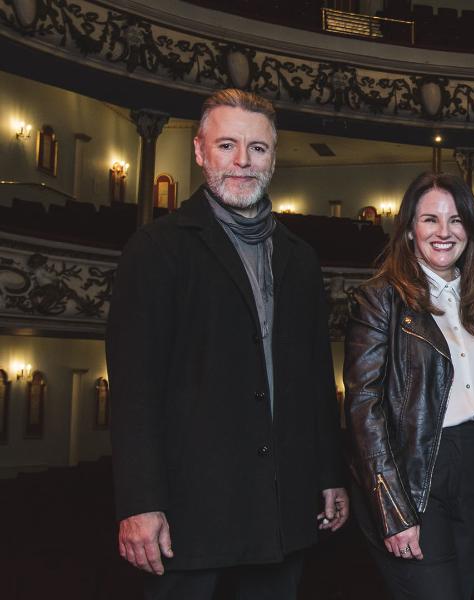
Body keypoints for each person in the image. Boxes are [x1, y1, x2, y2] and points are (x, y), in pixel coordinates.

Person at [107, 89, 347, 599]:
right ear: (199, 151)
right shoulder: (155, 249)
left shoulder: (300, 258)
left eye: (257, 149)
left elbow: (315, 379)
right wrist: (139, 502)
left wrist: (330, 473)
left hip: (281, 509)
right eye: (227, 146)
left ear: (274, 158)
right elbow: (134, 390)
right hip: (188, 514)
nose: (242, 161)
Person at [344, 172, 474, 600]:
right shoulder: (379, 298)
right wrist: (392, 510)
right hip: (418, 470)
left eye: (456, 220)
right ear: (408, 231)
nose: (444, 232)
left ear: (470, 231)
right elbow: (363, 408)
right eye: (429, 220)